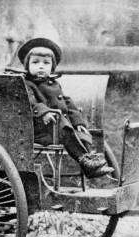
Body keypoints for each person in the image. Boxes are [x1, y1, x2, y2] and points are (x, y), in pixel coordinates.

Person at [17, 37, 113, 178]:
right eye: (35, 62)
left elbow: (68, 103)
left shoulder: (55, 84)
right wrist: (44, 112)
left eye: (46, 63)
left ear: (52, 67)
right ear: (27, 66)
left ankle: (90, 162)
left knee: (80, 133)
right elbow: (31, 102)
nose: (41, 66)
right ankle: (85, 160)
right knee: (63, 125)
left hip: (57, 127)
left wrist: (78, 122)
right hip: (39, 129)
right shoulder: (27, 84)